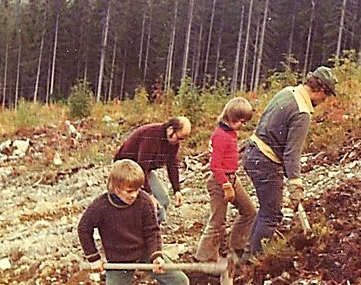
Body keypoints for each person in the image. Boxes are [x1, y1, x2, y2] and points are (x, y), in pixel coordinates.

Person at [243, 65, 338, 256]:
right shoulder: (302, 113)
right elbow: (292, 153)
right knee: (272, 213)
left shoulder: (287, 92)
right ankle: (253, 260)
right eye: (325, 96)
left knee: (266, 209)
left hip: (252, 153)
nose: (324, 101)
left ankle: (248, 253)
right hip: (265, 161)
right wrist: (296, 184)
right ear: (320, 90)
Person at [194, 97, 256, 263]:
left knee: (249, 212)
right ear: (230, 117)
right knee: (218, 221)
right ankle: (205, 258)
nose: (242, 126)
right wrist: (226, 185)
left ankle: (236, 248)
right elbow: (215, 165)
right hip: (219, 181)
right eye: (239, 121)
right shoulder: (220, 135)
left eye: (244, 122)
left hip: (232, 177)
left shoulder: (231, 132)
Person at [114, 116, 191, 224]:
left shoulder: (173, 143)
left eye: (182, 139)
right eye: (178, 138)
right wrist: (150, 195)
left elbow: (172, 165)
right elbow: (141, 166)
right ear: (170, 129)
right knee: (144, 203)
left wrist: (177, 190)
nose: (179, 142)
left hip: (144, 170)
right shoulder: (152, 136)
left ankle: (151, 231)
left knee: (163, 200)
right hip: (125, 168)